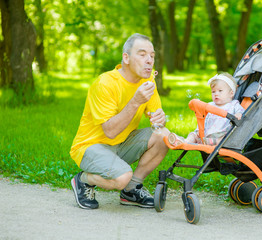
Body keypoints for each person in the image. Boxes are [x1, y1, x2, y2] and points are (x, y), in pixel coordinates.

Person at [70, 33, 169, 210]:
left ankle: (131, 189)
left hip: (121, 145)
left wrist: (160, 120)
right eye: (142, 54)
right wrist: (136, 101)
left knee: (164, 136)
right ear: (126, 57)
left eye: (152, 55)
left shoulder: (148, 82)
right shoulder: (105, 83)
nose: (149, 60)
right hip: (91, 147)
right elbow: (110, 131)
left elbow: (157, 123)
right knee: (122, 177)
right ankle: (83, 180)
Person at [168, 72, 244, 146]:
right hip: (204, 134)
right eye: (213, 91)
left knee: (223, 139)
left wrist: (238, 114)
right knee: (193, 135)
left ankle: (206, 142)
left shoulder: (234, 105)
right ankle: (185, 142)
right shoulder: (210, 105)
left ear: (231, 93)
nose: (216, 94)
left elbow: (241, 111)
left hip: (220, 135)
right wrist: (199, 130)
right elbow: (202, 117)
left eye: (220, 91)